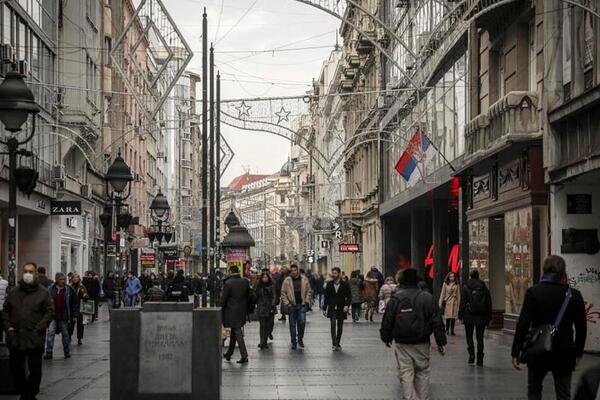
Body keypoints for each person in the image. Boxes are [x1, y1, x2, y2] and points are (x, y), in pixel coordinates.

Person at [511, 255, 587, 400]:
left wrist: (516, 351)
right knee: (563, 393)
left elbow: (523, 324)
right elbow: (581, 327)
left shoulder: (534, 292)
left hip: (538, 349)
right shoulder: (574, 295)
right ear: (563, 272)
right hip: (564, 351)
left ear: (544, 271)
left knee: (534, 389)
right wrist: (578, 352)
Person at [380, 268, 447, 400]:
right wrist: (441, 342)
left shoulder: (396, 298)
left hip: (402, 342)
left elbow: (387, 320)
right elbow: (436, 321)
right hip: (422, 340)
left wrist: (386, 337)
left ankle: (409, 396)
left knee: (405, 372)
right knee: (422, 371)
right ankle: (423, 397)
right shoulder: (427, 298)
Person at [2, 262, 54, 400]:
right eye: (25, 271)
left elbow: (49, 312)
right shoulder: (14, 292)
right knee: (16, 368)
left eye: (31, 271)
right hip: (16, 337)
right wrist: (8, 327)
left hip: (34, 336)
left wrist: (40, 327)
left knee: (35, 370)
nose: (27, 274)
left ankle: (29, 395)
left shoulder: (43, 292)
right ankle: (26, 393)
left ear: (36, 273)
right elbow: (6, 310)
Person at [459, 269, 492, 366]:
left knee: (469, 335)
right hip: (481, 315)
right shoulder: (483, 287)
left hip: (468, 315)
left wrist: (460, 314)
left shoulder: (466, 287)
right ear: (478, 276)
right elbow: (488, 302)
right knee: (480, 337)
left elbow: (463, 302)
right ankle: (480, 358)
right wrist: (489, 315)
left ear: (470, 276)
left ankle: (472, 354)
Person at [45, 272, 78, 359]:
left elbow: (75, 303)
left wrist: (74, 315)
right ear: (56, 280)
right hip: (53, 316)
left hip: (64, 316)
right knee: (50, 333)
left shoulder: (69, 289)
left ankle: (66, 351)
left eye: (64, 279)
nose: (63, 281)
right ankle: (49, 352)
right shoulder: (50, 289)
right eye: (61, 279)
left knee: (65, 334)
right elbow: (46, 302)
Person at [221, 265, 250, 364]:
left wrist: (220, 308)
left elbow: (223, 299)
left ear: (230, 272)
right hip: (242, 310)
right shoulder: (245, 282)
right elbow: (248, 295)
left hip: (231, 310)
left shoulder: (228, 283)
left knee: (237, 331)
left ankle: (244, 355)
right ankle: (229, 353)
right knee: (234, 331)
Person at [280, 264, 312, 350]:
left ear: (298, 270)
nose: (293, 272)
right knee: (292, 325)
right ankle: (293, 342)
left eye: (295, 270)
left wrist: (306, 301)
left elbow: (309, 291)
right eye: (292, 271)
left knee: (302, 322)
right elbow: (283, 293)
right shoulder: (287, 280)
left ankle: (300, 339)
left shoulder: (304, 279)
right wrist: (287, 303)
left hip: (301, 305)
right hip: (292, 305)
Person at [323, 267, 352, 351]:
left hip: (341, 307)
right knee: (332, 324)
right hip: (332, 307)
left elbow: (349, 296)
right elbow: (326, 297)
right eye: (333, 273)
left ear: (339, 274)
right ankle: (334, 343)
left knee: (340, 326)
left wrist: (347, 305)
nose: (333, 275)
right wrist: (325, 308)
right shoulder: (329, 284)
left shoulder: (345, 284)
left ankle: (338, 342)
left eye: (335, 273)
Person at [255, 271, 277, 349]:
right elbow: (255, 296)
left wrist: (272, 305)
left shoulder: (272, 285)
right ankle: (262, 342)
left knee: (269, 325)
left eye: (266, 277)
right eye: (263, 277)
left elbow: (274, 296)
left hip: (270, 307)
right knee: (262, 325)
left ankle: (265, 340)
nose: (265, 278)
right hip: (261, 307)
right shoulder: (258, 286)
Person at [69, 273, 88, 345]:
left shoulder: (82, 287)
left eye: (76, 277)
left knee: (80, 324)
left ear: (79, 279)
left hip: (80, 307)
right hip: (72, 307)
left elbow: (86, 296)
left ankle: (79, 338)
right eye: (74, 278)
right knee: (71, 324)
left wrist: (85, 296)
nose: (75, 279)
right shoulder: (69, 287)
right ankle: (69, 336)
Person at [439, 272, 460, 336]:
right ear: (448, 277)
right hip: (448, 301)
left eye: (453, 276)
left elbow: (459, 295)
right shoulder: (445, 284)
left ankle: (452, 330)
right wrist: (440, 302)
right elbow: (442, 293)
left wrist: (459, 303)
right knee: (448, 316)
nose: (452, 278)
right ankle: (447, 329)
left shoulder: (457, 284)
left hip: (454, 302)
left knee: (453, 317)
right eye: (450, 277)